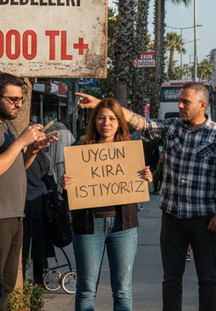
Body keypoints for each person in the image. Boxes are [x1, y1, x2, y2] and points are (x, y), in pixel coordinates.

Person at [76, 83, 216, 311]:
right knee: (171, 279)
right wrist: (102, 104)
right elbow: (142, 122)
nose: (179, 105)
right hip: (172, 218)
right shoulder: (172, 127)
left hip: (204, 220)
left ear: (202, 105)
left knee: (207, 279)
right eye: (179, 100)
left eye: (185, 102)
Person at [0, 72, 57, 310]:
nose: (19, 104)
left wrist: (32, 149)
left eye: (21, 99)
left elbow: (15, 167)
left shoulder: (8, 126)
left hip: (13, 215)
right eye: (13, 99)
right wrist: (21, 141)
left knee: (4, 287)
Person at [61, 99, 153, 311]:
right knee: (86, 289)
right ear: (94, 121)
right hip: (88, 225)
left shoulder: (129, 150)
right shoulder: (80, 149)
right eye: (101, 117)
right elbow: (71, 187)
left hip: (123, 226)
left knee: (122, 290)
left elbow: (136, 182)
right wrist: (66, 184)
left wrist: (147, 177)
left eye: (112, 118)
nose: (106, 123)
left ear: (120, 122)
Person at [22, 142, 54, 285]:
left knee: (23, 243)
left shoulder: (17, 152)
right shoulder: (38, 154)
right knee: (39, 242)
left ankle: (23, 278)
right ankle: (39, 278)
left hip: (24, 200)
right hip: (38, 198)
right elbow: (46, 172)